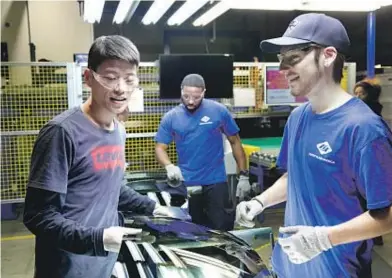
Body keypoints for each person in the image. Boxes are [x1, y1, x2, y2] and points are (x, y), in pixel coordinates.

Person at [235, 13, 392, 278]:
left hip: (337, 271)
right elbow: (294, 176)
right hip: (288, 266)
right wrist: (260, 201)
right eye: (280, 59)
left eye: (293, 57)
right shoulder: (298, 118)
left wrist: (323, 239)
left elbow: (386, 215)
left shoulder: (364, 129)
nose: (283, 68)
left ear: (328, 55)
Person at [23, 35, 170, 278]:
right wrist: (97, 238)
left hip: (102, 264)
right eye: (110, 78)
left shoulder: (118, 131)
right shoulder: (62, 133)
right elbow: (39, 215)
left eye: (129, 79)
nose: (120, 88)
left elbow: (111, 188)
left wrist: (154, 208)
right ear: (88, 78)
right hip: (66, 268)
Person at [155, 73, 251, 231]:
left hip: (216, 181)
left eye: (196, 97)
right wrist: (169, 166)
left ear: (204, 92)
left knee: (221, 229)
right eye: (186, 96)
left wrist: (244, 175)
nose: (191, 101)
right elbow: (160, 147)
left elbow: (235, 142)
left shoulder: (219, 111)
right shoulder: (171, 117)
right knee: (192, 229)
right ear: (181, 91)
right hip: (187, 183)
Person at [354, 78, 384, 246]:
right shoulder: (365, 110)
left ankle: (372, 235)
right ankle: (373, 236)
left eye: (362, 93)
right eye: (356, 93)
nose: (358, 97)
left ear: (369, 95)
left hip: (370, 159)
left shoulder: (370, 113)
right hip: (364, 159)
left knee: (368, 198)